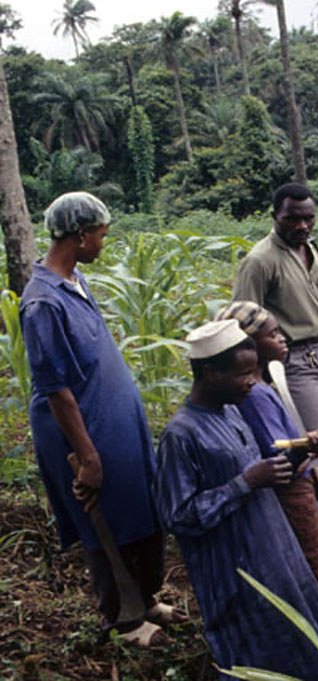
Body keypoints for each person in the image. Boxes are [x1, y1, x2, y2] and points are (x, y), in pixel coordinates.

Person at [19, 192, 182, 646]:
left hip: (113, 425)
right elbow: (56, 389)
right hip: (82, 431)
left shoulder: (76, 281)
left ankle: (145, 598)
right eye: (102, 236)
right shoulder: (42, 304)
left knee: (138, 509)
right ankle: (123, 619)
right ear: (81, 234)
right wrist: (86, 453)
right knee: (104, 520)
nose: (103, 245)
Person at [154, 320, 318, 680]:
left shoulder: (232, 411)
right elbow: (178, 516)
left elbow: (263, 471)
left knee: (303, 640)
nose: (252, 382)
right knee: (254, 655)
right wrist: (243, 484)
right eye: (243, 374)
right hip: (233, 573)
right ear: (210, 373)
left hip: (275, 556)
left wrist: (302, 452)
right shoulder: (181, 436)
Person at [232, 183, 318, 547]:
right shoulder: (260, 261)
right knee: (314, 445)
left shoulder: (311, 251)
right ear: (275, 216)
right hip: (295, 358)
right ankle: (311, 535)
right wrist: (259, 375)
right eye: (292, 218)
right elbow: (243, 319)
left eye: (307, 218)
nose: (302, 226)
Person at [215, 301, 318, 629]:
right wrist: (311, 451)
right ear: (248, 347)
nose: (283, 340)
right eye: (273, 335)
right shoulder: (255, 397)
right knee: (314, 562)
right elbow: (278, 454)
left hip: (298, 484)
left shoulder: (264, 385)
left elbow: (291, 436)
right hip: (290, 494)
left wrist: (317, 472)